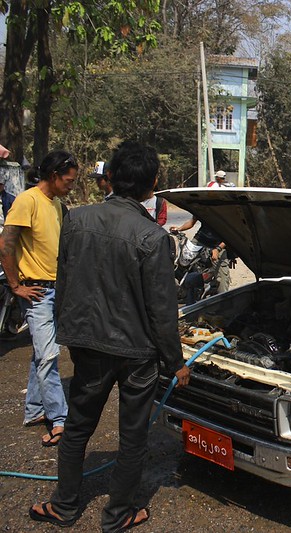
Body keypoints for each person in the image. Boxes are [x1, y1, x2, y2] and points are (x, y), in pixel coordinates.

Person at [27, 141, 190, 531]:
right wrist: (176, 363)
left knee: (78, 426)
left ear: (111, 177)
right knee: (132, 436)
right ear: (153, 184)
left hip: (89, 345)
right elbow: (162, 311)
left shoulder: (76, 219)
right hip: (137, 354)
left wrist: (70, 334)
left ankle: (64, 507)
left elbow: (64, 282)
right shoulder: (153, 237)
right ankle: (119, 514)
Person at [0, 150, 76, 445]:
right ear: (54, 176)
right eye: (68, 180)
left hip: (55, 288)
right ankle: (59, 418)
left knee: (42, 352)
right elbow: (6, 244)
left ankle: (34, 410)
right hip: (37, 291)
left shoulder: (56, 204)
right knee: (48, 356)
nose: (71, 185)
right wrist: (15, 285)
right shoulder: (27, 201)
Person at [170, 216, 233, 294]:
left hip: (217, 246)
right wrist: (179, 229)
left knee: (222, 280)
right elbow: (191, 222)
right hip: (199, 240)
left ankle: (222, 297)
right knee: (182, 262)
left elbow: (230, 235)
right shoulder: (203, 210)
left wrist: (218, 249)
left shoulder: (225, 213)